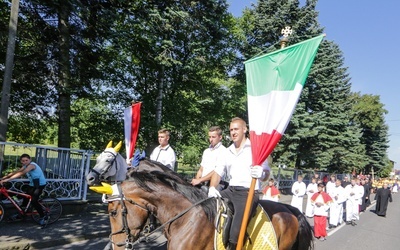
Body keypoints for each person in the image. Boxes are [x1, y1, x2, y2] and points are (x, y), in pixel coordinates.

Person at [208, 117, 270, 250]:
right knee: (205, 208)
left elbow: (266, 174)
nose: (233, 132)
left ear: (245, 129)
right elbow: (218, 172)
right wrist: (212, 187)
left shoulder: (256, 149)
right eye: (231, 130)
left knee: (235, 232)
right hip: (230, 190)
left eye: (236, 129)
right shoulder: (227, 151)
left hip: (247, 193)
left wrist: (261, 173)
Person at [0, 154, 47, 225]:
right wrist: (4, 178)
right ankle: (22, 214)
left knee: (34, 201)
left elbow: (22, 173)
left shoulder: (32, 165)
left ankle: (43, 216)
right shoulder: (25, 166)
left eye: (26, 160)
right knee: (26, 197)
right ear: (21, 161)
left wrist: (8, 180)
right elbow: (17, 172)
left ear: (30, 160)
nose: (25, 162)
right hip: (32, 184)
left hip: (40, 185)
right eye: (23, 161)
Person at [191, 126, 227, 192]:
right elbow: (201, 170)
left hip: (217, 183)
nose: (211, 139)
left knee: (211, 199)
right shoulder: (206, 151)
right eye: (209, 137)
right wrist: (197, 180)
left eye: (213, 137)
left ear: (220, 137)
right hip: (203, 181)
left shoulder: (223, 151)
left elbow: (216, 172)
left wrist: (199, 180)